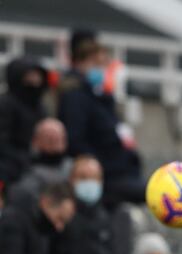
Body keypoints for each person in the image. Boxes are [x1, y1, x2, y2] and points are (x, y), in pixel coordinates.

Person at [58, 40, 146, 207]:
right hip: (108, 175)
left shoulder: (102, 97)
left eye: (104, 64)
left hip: (121, 171)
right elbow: (75, 140)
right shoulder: (75, 97)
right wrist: (98, 168)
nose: (101, 69)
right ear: (79, 63)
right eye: (96, 63)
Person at [49, 155, 115, 254]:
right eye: (83, 177)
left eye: (94, 178)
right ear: (71, 179)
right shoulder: (58, 214)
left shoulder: (106, 218)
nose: (90, 183)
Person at [0, 182, 76, 254]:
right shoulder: (15, 220)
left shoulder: (43, 228)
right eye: (59, 218)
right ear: (46, 202)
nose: (60, 227)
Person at [0, 57, 48, 185]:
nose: (35, 80)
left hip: (36, 162)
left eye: (37, 75)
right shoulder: (6, 103)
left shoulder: (40, 106)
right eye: (30, 75)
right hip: (10, 166)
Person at [7, 118, 72, 207]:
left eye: (58, 138)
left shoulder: (72, 167)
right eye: (49, 138)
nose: (54, 142)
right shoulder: (20, 166)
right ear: (35, 140)